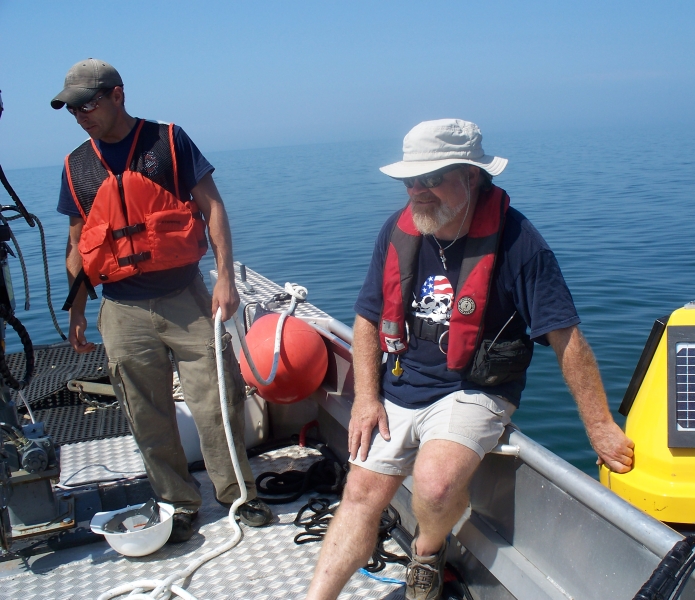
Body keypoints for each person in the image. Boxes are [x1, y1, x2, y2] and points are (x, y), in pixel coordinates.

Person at [307, 119, 635, 600]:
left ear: (472, 176)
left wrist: (600, 426)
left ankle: (427, 550)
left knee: (435, 485)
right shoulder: (397, 233)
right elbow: (367, 321)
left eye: (432, 178)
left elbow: (566, 338)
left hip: (474, 387)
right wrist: (365, 400)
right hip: (401, 382)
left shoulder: (520, 243)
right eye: (410, 180)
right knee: (359, 493)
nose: (417, 191)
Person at [51, 58, 271, 543]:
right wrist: (78, 311)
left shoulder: (167, 141)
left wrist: (225, 280)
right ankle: (177, 501)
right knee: (145, 412)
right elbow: (78, 243)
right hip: (122, 309)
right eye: (71, 109)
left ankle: (239, 495)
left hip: (185, 296)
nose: (80, 115)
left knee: (218, 399)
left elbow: (212, 207)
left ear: (117, 95)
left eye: (87, 104)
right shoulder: (76, 166)